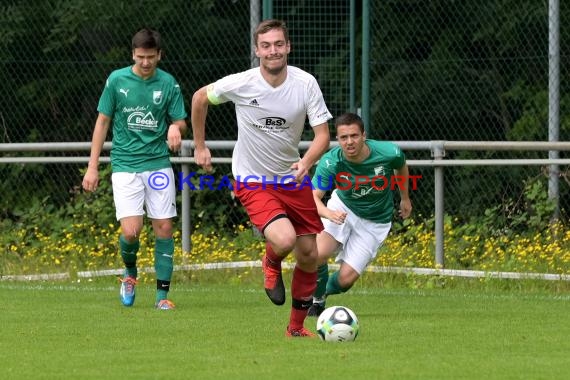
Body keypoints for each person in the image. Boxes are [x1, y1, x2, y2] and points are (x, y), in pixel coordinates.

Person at [191, 19, 332, 337]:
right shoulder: (242, 83)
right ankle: (270, 263)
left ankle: (295, 329)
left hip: (292, 178)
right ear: (257, 50)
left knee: (310, 254)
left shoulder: (305, 83)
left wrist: (307, 161)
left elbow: (323, 135)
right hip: (252, 179)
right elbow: (200, 98)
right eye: (266, 45)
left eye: (279, 44)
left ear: (288, 47)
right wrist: (200, 146)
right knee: (284, 239)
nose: (273, 51)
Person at [82, 28, 188, 310]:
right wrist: (92, 166)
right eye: (140, 57)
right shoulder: (117, 80)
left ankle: (161, 296)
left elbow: (180, 121)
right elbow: (102, 122)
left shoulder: (168, 84)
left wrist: (174, 128)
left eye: (150, 57)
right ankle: (129, 274)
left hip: (157, 164)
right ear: (133, 54)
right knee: (131, 231)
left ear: (159, 55)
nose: (145, 62)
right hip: (125, 164)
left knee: (164, 227)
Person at [307, 112, 412, 317]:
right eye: (344, 137)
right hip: (342, 208)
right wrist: (328, 213)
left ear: (364, 135)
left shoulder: (389, 152)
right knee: (318, 254)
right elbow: (312, 198)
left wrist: (405, 198)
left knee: (345, 281)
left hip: (375, 221)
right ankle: (316, 301)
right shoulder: (331, 161)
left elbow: (401, 167)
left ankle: (323, 290)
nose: (349, 142)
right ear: (338, 139)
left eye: (354, 136)